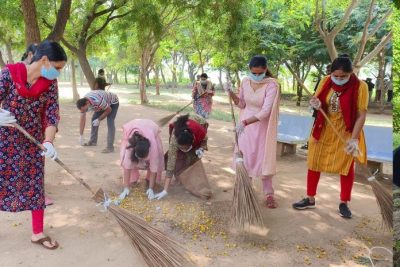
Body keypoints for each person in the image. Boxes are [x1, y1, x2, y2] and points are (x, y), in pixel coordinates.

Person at [0, 40, 67, 249]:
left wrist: (48, 141)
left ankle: (37, 233)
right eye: (57, 67)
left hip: (33, 144)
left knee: (35, 187)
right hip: (5, 142)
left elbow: (51, 114)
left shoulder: (49, 85)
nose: (58, 73)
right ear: (44, 60)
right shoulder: (8, 75)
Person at [292, 54, 368, 219]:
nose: (339, 79)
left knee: (346, 167)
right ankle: (310, 198)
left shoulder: (361, 86)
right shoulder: (325, 81)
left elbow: (362, 115)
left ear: (351, 73)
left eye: (344, 76)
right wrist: (316, 105)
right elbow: (317, 101)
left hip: (347, 132)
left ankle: (344, 203)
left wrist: (354, 139)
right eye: (336, 76)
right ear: (331, 73)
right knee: (314, 162)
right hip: (323, 128)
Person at [225, 55, 280, 208]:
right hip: (245, 128)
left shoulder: (272, 85)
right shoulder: (245, 81)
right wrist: (230, 92)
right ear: (249, 70)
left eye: (259, 73)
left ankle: (269, 194)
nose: (256, 76)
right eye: (253, 73)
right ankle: (245, 189)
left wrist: (245, 122)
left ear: (265, 70)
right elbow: (241, 104)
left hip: (261, 126)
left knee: (263, 158)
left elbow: (265, 111)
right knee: (245, 157)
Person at [156, 114, 208, 200]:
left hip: (199, 123)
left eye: (186, 147)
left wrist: (201, 148)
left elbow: (204, 139)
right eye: (181, 147)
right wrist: (165, 190)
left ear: (192, 141)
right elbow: (171, 165)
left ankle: (191, 178)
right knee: (177, 158)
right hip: (183, 130)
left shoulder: (200, 131)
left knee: (193, 157)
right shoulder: (174, 141)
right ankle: (180, 178)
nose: (184, 149)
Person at [116, 119, 164, 203]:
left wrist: (151, 188)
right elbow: (127, 167)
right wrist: (126, 188)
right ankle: (133, 178)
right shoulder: (130, 146)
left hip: (150, 128)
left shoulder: (153, 148)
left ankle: (149, 182)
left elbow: (154, 168)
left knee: (155, 162)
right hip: (133, 126)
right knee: (130, 160)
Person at [302, 64, 332, 150]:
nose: (328, 73)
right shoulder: (322, 81)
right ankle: (310, 143)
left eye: (330, 71)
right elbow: (316, 94)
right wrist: (312, 103)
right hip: (318, 108)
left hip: (329, 110)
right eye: (327, 71)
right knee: (314, 125)